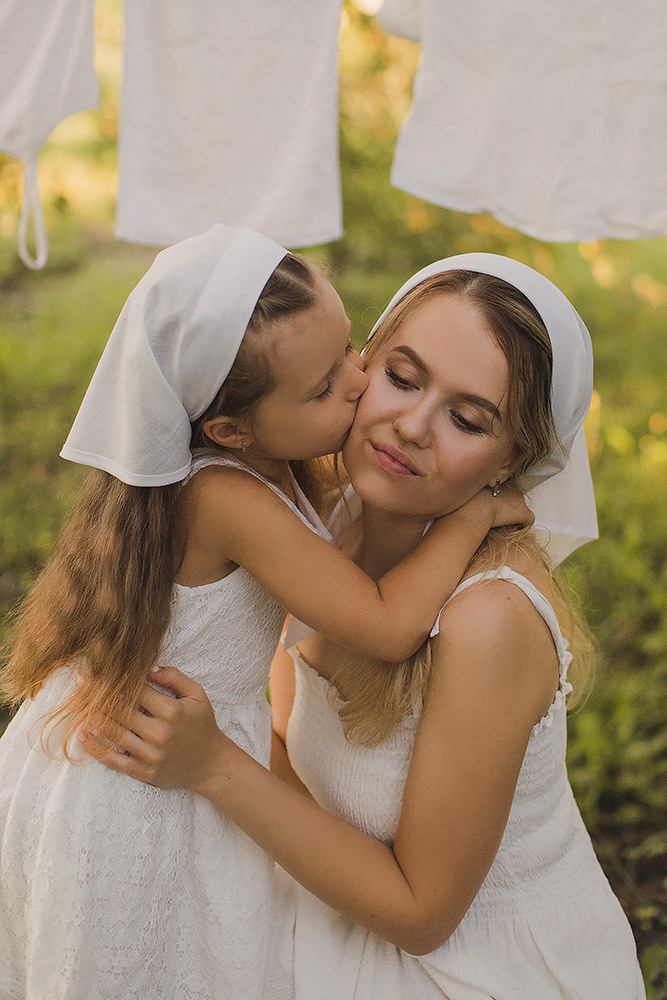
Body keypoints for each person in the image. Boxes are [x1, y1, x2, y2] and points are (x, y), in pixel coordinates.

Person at [93, 254, 646, 999]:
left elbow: (423, 917)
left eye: (466, 419)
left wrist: (215, 766)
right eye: (403, 377)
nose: (411, 427)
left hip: (472, 970)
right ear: (358, 365)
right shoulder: (328, 521)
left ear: (509, 463)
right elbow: (287, 742)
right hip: (335, 916)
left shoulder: (488, 617)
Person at [0, 229, 527, 1000]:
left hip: (168, 745)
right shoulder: (224, 496)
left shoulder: (257, 468)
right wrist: (470, 516)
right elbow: (386, 625)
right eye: (323, 387)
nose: (357, 383)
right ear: (230, 430)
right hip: (137, 782)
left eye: (350, 349)